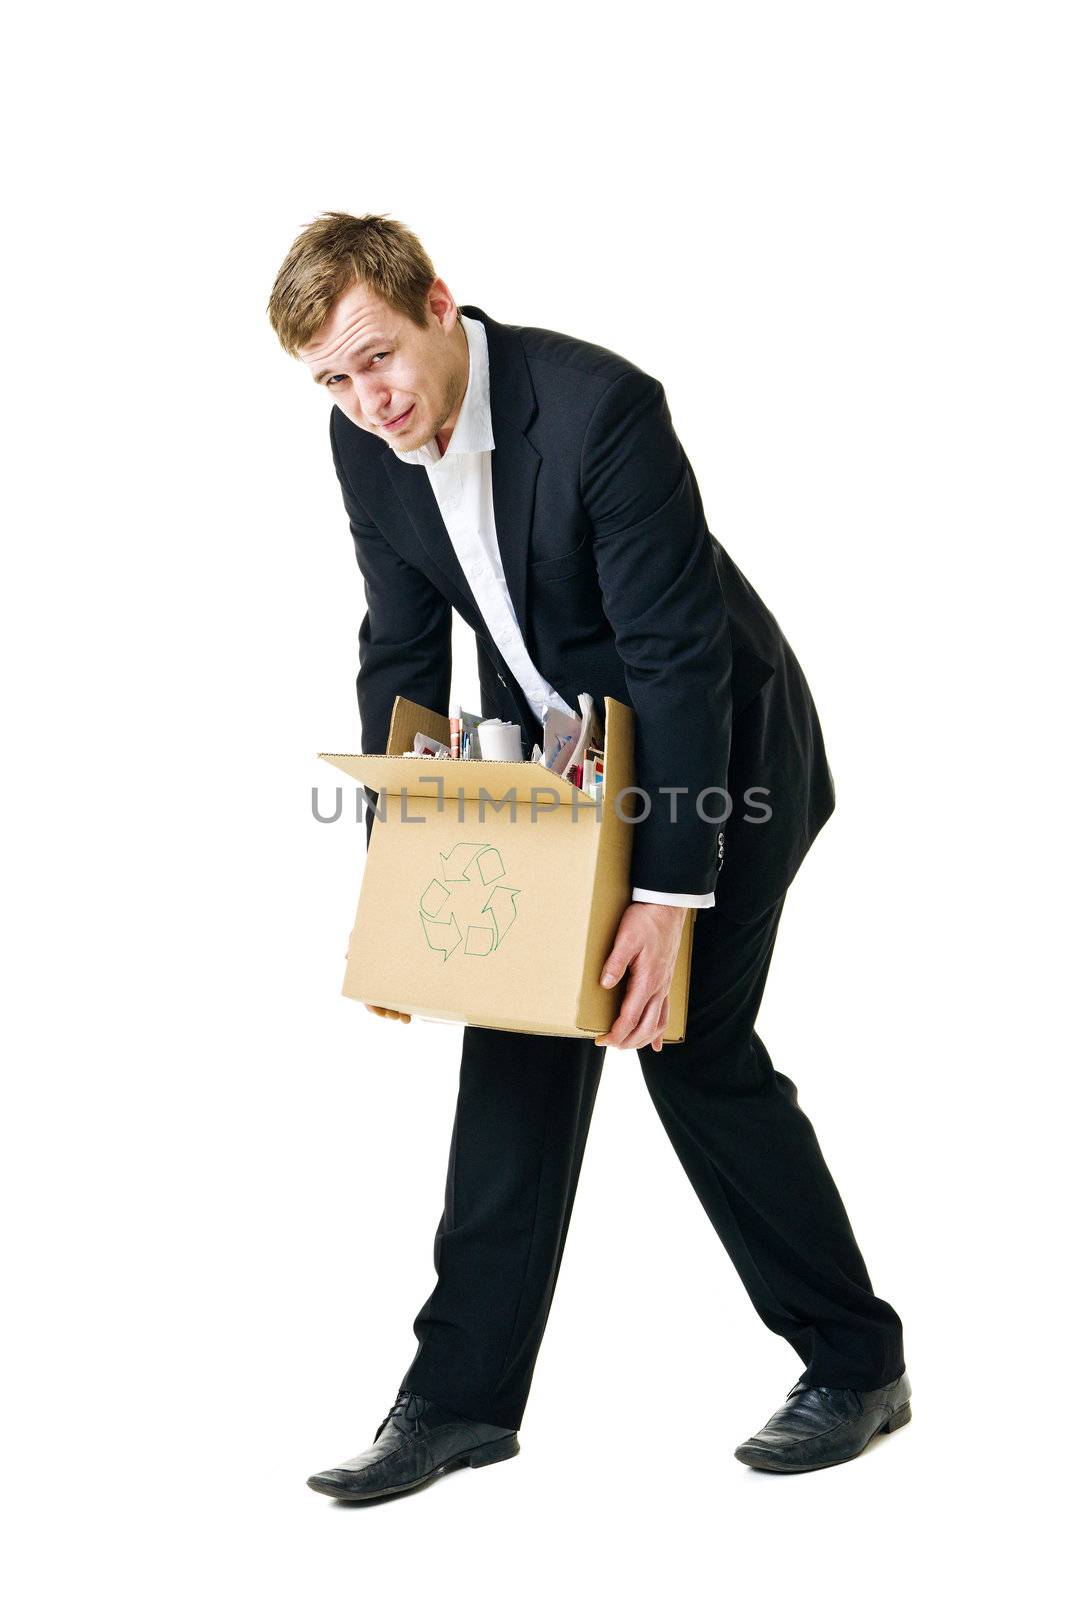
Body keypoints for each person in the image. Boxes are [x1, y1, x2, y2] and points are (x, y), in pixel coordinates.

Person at [267, 212, 909, 1501]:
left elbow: (677, 661)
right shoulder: (364, 444)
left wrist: (671, 895)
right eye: (332, 380)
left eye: (377, 357)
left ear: (440, 304)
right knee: (516, 1045)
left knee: (688, 1049)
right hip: (570, 764)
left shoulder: (601, 408)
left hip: (721, 755)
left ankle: (857, 1365)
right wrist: (401, 879)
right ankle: (456, 1403)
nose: (367, 401)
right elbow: (401, 653)